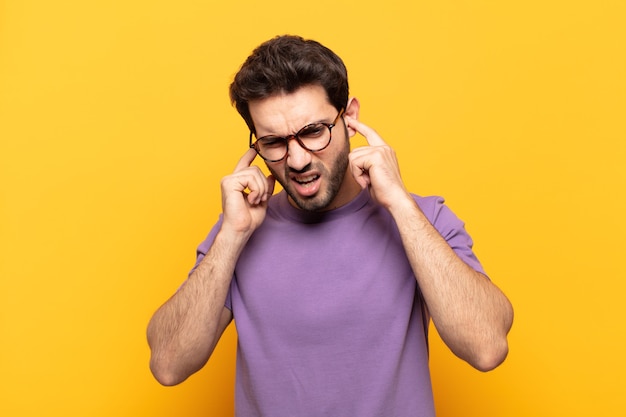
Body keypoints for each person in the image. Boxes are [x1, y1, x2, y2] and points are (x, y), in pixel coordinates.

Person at [147, 35, 514, 417]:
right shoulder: (238, 231)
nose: (297, 159)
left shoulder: (422, 218)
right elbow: (168, 365)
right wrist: (231, 236)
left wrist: (400, 205)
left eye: (312, 132)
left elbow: (487, 348)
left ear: (349, 117)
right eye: (274, 141)